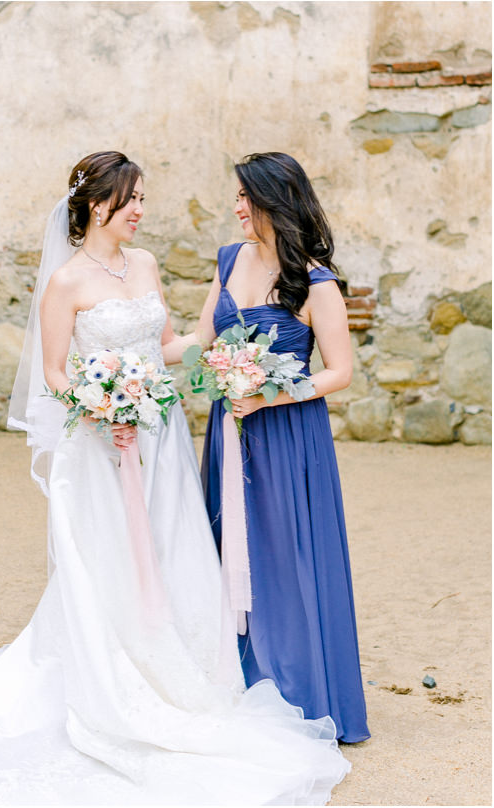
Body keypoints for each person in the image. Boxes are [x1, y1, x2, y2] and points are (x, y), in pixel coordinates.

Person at [0, 151, 351, 804]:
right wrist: (100, 399)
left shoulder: (145, 266)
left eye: (140, 199)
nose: (140, 210)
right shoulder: (65, 283)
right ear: (96, 203)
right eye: (131, 199)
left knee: (170, 551)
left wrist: (233, 365)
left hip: (157, 433)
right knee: (103, 559)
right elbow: (53, 372)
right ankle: (112, 681)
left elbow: (169, 343)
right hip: (101, 437)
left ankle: (181, 670)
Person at [195, 152, 370, 743]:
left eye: (246, 197)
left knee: (286, 555)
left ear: (277, 201)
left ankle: (296, 690)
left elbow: (340, 371)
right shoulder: (227, 259)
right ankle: (236, 681)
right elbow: (199, 339)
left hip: (288, 435)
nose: (237, 207)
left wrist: (272, 394)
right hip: (229, 428)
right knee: (226, 547)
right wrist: (120, 367)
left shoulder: (314, 280)